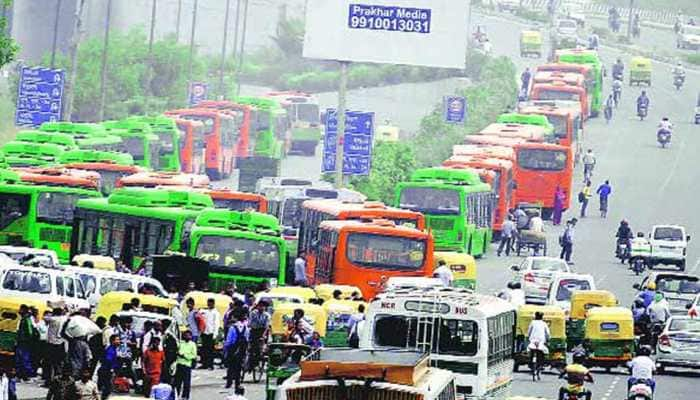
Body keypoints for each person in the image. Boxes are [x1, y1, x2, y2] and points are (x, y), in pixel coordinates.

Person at [223, 312, 249, 390]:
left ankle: (229, 382)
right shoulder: (246, 328)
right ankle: (237, 383)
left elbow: (229, 340)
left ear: (236, 318)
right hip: (241, 349)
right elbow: (247, 339)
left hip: (232, 348)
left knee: (230, 366)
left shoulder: (232, 328)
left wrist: (226, 348)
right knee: (238, 366)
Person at [44, 307, 67, 385]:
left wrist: (51, 313)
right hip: (60, 343)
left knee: (49, 363)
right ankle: (57, 380)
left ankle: (49, 381)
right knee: (59, 363)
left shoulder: (53, 319)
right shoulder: (64, 319)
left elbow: (45, 317)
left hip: (51, 344)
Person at [15, 304, 37, 381]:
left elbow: (30, 332)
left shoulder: (27, 319)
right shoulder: (24, 318)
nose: (19, 311)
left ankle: (25, 375)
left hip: (24, 342)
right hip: (23, 341)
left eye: (21, 309)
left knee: (24, 358)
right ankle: (22, 374)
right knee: (21, 358)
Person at [173, 330, 197, 400]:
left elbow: (194, 355)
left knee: (186, 383)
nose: (187, 336)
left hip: (187, 365)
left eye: (189, 335)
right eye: (186, 335)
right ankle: (176, 396)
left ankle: (185, 396)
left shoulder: (192, 344)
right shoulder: (180, 343)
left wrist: (185, 356)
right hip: (179, 364)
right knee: (177, 382)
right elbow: (177, 351)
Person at [200, 298, 221, 370]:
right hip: (205, 332)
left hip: (211, 333)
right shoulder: (205, 311)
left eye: (210, 303)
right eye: (208, 303)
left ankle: (210, 365)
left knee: (211, 350)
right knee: (204, 349)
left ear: (213, 304)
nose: (209, 304)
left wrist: (215, 334)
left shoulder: (216, 313)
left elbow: (216, 324)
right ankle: (204, 364)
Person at [98, 334, 120, 400]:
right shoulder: (110, 350)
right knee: (107, 388)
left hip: (105, 370)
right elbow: (108, 360)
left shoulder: (113, 349)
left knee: (107, 389)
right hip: (106, 371)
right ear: (112, 341)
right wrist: (112, 370)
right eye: (117, 340)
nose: (119, 341)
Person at [160, 319, 179, 385]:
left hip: (167, 359)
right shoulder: (160, 334)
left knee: (167, 375)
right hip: (159, 358)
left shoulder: (170, 336)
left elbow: (174, 349)